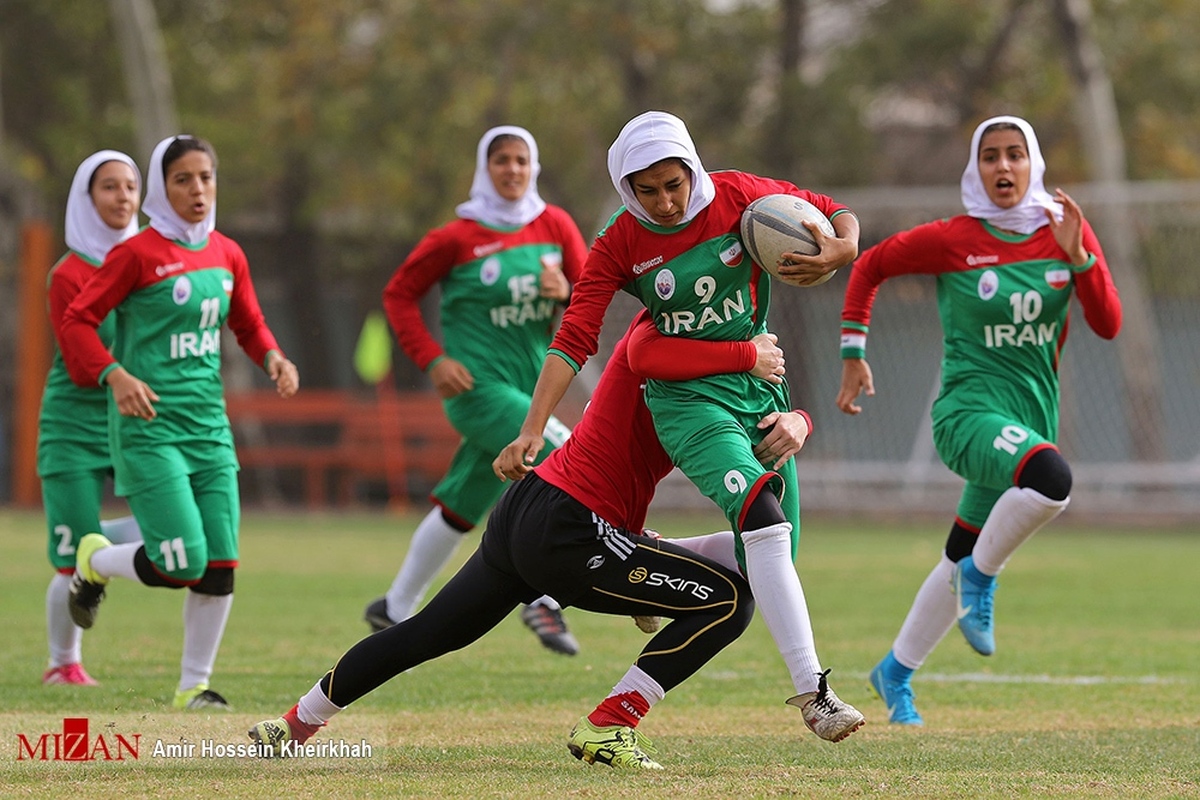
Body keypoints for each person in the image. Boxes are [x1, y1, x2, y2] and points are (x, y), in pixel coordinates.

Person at [249, 312, 797, 769]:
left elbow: (750, 422)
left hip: (533, 505)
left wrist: (797, 419)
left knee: (429, 633)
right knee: (731, 601)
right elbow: (661, 362)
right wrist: (750, 358)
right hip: (573, 527)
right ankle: (611, 724)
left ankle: (295, 723)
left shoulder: (686, 343)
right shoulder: (672, 342)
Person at [494, 110, 865, 742]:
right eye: (648, 190)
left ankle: (650, 562)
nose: (667, 201)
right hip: (687, 400)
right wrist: (534, 425)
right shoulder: (618, 243)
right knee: (762, 519)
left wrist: (845, 243)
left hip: (759, 390)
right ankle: (815, 695)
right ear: (625, 188)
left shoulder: (741, 195)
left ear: (692, 169)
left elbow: (834, 209)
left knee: (766, 567)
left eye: (675, 184)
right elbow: (576, 334)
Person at [835, 115, 1123, 725]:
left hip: (1026, 420)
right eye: (990, 156)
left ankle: (895, 672)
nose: (1003, 167)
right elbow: (871, 265)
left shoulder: (1064, 230)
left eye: (1015, 154)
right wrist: (853, 351)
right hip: (967, 415)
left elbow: (1109, 323)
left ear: (1033, 163)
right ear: (976, 169)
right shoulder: (953, 237)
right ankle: (982, 579)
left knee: (957, 551)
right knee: (1052, 480)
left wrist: (1080, 260)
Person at [58, 135, 300, 710]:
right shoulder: (136, 255)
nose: (198, 190)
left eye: (206, 178)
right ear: (161, 188)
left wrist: (272, 356)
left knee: (219, 562)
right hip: (150, 429)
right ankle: (95, 560)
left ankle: (193, 687)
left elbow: (248, 322)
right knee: (179, 562)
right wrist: (115, 375)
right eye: (182, 179)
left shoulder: (227, 253)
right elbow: (77, 321)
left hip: (209, 429)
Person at [368, 125, 588, 656]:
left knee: (462, 504)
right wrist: (433, 359)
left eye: (520, 160)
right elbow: (399, 296)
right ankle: (542, 601)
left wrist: (568, 291)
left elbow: (591, 295)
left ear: (533, 167)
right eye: (501, 161)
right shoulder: (456, 237)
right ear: (484, 169)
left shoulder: (554, 223)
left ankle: (394, 607)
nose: (512, 170)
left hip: (531, 393)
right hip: (477, 392)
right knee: (566, 459)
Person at [37, 150, 145, 686]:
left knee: (169, 530)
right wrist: (128, 374)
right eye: (109, 187)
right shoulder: (68, 273)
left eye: (130, 186)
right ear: (86, 197)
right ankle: (64, 665)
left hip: (130, 420)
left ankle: (93, 541)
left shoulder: (150, 261)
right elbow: (82, 367)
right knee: (69, 561)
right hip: (73, 427)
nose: (123, 197)